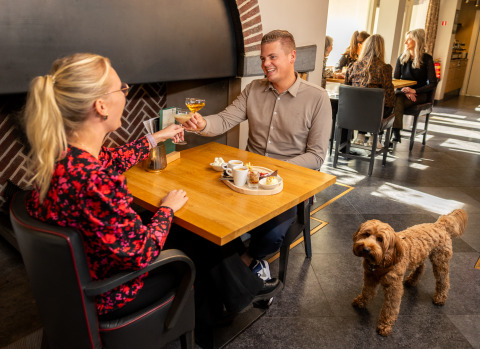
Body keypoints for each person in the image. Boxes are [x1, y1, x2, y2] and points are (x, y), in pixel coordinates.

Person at [23, 53, 189, 319]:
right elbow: (143, 253)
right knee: (195, 249)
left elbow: (111, 159)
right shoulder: (96, 181)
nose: (125, 94)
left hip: (73, 284)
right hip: (109, 293)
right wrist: (166, 210)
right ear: (101, 106)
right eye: (122, 89)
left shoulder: (59, 156)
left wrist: (156, 137)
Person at [183, 30, 332, 282]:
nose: (265, 64)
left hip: (287, 184)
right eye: (263, 58)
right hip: (248, 178)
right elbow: (223, 119)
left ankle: (245, 265)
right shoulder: (254, 89)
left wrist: (271, 170)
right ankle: (227, 269)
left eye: (272, 57)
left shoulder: (317, 98)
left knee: (272, 235)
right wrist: (200, 123)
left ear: (292, 56)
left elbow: (316, 156)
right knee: (206, 210)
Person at [345, 34, 395, 149]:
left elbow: (347, 90)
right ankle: (374, 137)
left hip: (353, 114)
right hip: (374, 115)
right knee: (387, 103)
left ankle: (360, 135)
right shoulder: (384, 68)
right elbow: (389, 96)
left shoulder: (353, 66)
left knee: (362, 102)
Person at [392, 28, 438, 142]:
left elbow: (433, 83)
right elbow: (395, 81)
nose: (405, 42)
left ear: (417, 41)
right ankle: (395, 132)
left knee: (396, 100)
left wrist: (414, 91)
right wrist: (405, 90)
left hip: (420, 94)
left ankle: (393, 132)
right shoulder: (402, 58)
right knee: (395, 98)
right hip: (403, 93)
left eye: (408, 39)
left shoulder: (427, 59)